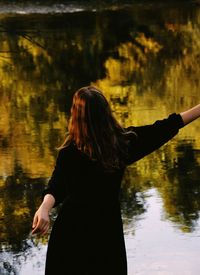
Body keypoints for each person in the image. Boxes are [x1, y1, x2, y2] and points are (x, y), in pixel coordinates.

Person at [31, 86, 200, 275]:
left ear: (76, 116)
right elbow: (165, 127)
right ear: (106, 114)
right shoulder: (122, 145)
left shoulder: (71, 151)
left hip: (72, 231)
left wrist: (44, 208)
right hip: (105, 232)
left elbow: (57, 185)